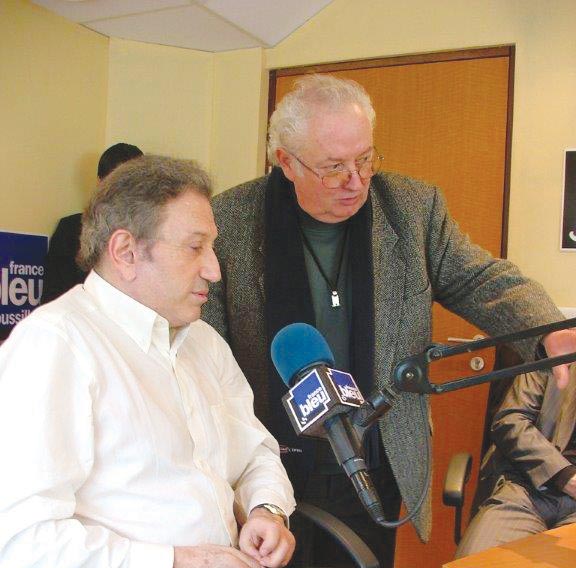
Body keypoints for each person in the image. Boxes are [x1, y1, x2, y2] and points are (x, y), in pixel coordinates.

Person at [202, 74, 576, 567]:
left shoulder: (412, 208)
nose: (356, 181)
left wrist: (546, 326)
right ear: (286, 162)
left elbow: (482, 279)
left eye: (365, 159)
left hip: (376, 454)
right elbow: (203, 347)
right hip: (264, 464)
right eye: (334, 167)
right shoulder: (228, 220)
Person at [0, 155, 295, 568]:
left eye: (212, 248)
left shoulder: (204, 342)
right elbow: (22, 543)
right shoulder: (54, 346)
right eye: (195, 248)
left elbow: (255, 451)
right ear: (125, 251)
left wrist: (266, 509)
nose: (214, 270)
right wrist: (176, 560)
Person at [455, 365, 576, 557]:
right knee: (480, 559)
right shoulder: (556, 350)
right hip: (527, 488)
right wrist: (564, 476)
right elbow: (511, 421)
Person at [40, 142, 143, 304]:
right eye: (118, 183)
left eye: (135, 184)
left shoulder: (154, 234)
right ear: (100, 183)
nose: (127, 192)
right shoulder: (70, 230)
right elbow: (53, 297)